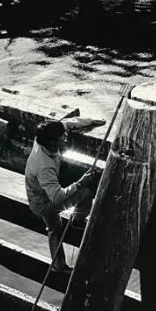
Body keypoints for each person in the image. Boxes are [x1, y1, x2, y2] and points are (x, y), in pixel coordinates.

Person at [25, 117, 105, 273]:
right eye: (62, 137)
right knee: (86, 192)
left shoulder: (42, 138)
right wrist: (81, 182)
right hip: (44, 203)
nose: (65, 137)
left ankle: (58, 265)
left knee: (54, 228)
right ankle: (78, 219)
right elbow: (56, 197)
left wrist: (92, 121)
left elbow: (67, 124)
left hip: (37, 195)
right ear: (52, 142)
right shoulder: (44, 167)